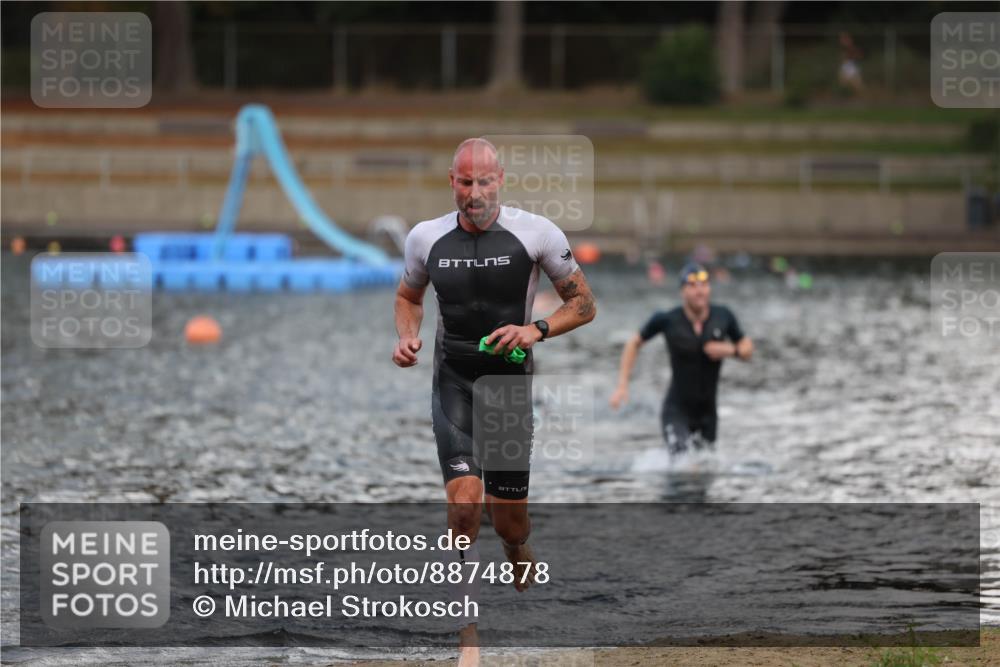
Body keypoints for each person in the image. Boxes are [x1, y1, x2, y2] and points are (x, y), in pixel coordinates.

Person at [392, 138, 596, 664]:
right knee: (463, 506)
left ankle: (513, 546)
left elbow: (584, 304)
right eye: (465, 182)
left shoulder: (537, 233)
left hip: (508, 389)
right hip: (453, 381)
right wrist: (406, 336)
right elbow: (408, 296)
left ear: (500, 179)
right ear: (451, 181)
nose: (475, 193)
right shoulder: (425, 238)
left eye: (484, 182)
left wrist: (537, 330)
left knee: (508, 520)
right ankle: (468, 637)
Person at [610, 263, 751, 455]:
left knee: (704, 471)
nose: (699, 290)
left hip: (708, 414)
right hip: (677, 411)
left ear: (709, 288)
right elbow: (633, 343)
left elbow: (747, 348)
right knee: (683, 464)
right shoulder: (667, 319)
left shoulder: (723, 316)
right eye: (692, 285)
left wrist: (731, 350)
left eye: (703, 284)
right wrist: (622, 385)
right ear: (682, 291)